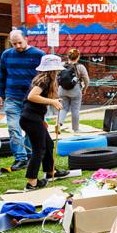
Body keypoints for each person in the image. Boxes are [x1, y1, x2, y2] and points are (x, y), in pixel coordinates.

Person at [0, 30, 45, 171]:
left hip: (31, 99)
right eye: (14, 43)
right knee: (13, 128)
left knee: (31, 128)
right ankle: (20, 158)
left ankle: (30, 154)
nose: (17, 46)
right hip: (12, 97)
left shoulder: (39, 55)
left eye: (20, 42)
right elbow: (2, 76)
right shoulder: (6, 55)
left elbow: (45, 78)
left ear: (26, 39)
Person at [19, 54, 69, 190]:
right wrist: (52, 101)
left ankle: (50, 172)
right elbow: (32, 97)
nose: (59, 72)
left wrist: (43, 120)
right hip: (30, 119)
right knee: (39, 149)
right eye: (57, 70)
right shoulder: (44, 80)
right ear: (53, 69)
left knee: (48, 144)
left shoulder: (45, 79)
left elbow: (36, 105)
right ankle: (32, 183)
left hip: (34, 118)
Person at [57, 49, 90, 133]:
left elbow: (56, 77)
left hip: (62, 89)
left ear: (68, 56)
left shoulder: (61, 65)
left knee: (63, 108)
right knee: (75, 110)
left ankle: (59, 124)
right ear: (78, 57)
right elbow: (87, 80)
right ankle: (76, 129)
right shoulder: (80, 67)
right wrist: (85, 89)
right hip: (75, 90)